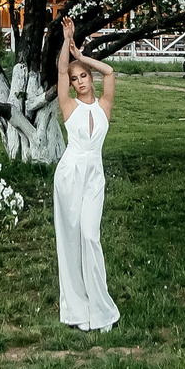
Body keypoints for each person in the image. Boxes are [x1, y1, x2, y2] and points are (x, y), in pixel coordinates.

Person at [53, 30, 120, 331]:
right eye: (75, 78)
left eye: (83, 76)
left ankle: (102, 311)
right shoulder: (69, 107)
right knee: (70, 240)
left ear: (90, 79)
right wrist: (67, 45)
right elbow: (60, 71)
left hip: (94, 177)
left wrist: (81, 56)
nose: (79, 81)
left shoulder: (104, 106)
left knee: (90, 236)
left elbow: (110, 71)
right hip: (69, 176)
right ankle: (77, 311)